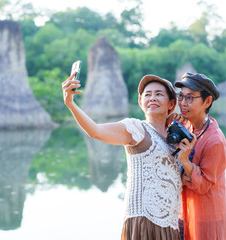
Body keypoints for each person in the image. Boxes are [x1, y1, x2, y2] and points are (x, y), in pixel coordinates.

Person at [62, 73, 190, 239]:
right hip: (144, 222)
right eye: (147, 95)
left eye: (159, 94)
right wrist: (71, 104)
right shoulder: (136, 129)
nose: (152, 98)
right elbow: (96, 131)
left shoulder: (175, 142)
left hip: (170, 226)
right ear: (140, 102)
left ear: (171, 103)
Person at [173, 72, 226, 240]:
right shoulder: (186, 125)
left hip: (207, 218)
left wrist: (185, 161)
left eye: (190, 98)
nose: (183, 103)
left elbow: (204, 185)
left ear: (207, 101)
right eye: (181, 97)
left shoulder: (215, 140)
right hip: (183, 213)